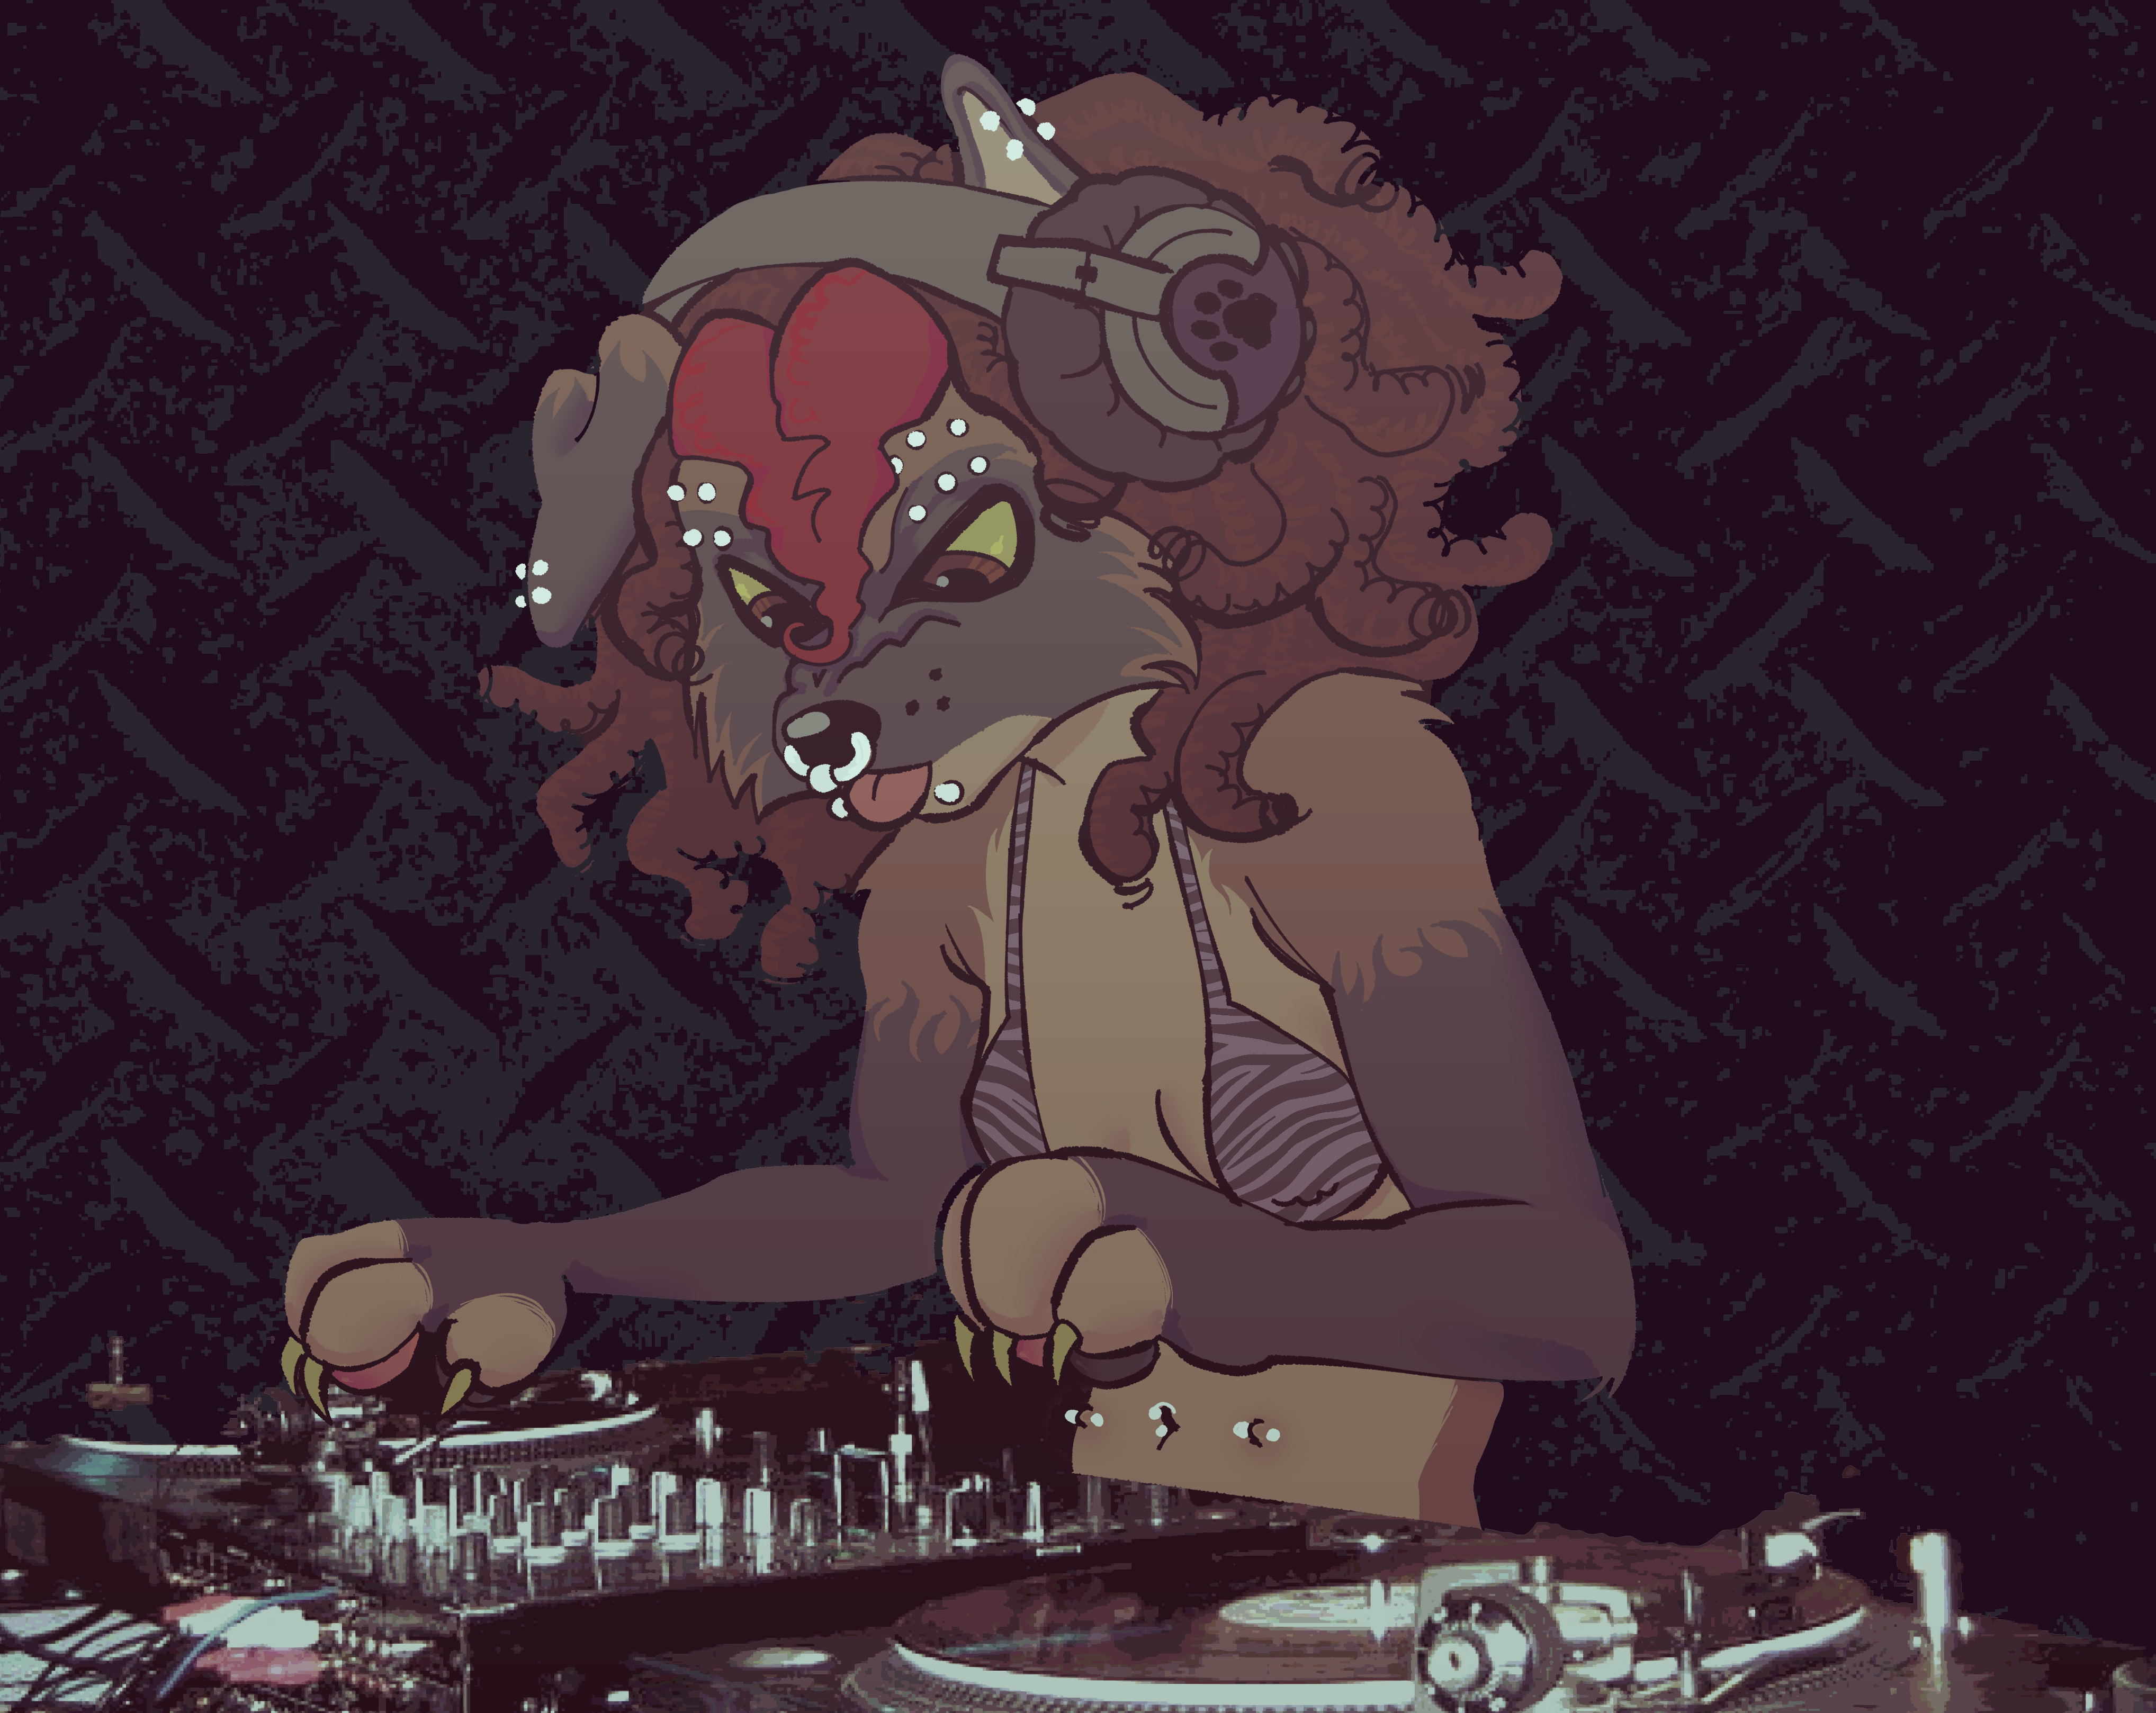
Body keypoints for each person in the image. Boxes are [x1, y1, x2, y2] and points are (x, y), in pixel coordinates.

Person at [281, 58, 1634, 1525]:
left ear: (1157, 497)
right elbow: (900, 1210)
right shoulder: (952, 854)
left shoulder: (1323, 777)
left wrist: (1196, 1254)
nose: (841, 684)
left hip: (1374, 1578)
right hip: (1108, 1566)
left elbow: (1566, 1295)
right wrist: (552, 1260)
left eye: (964, 556)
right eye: (771, 606)